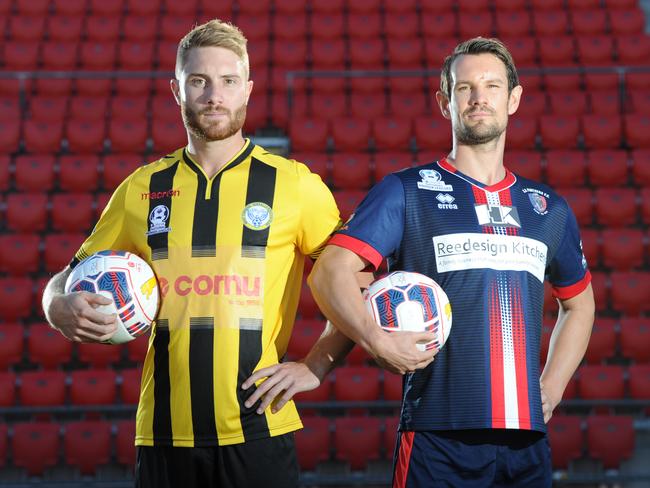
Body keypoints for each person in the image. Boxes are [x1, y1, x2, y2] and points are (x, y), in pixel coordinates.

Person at [246, 37, 595, 487]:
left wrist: (552, 386)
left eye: (491, 86)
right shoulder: (407, 192)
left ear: (513, 99)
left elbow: (580, 304)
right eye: (464, 87)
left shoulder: (547, 208)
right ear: (444, 102)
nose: (478, 97)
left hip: (527, 441)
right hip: (437, 435)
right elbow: (331, 272)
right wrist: (364, 344)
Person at [41, 19, 346, 488]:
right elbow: (67, 275)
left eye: (227, 81)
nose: (213, 95)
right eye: (198, 81)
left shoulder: (296, 185)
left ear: (247, 89)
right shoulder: (142, 188)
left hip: (259, 428)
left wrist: (316, 365)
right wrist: (56, 304)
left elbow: (355, 281)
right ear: (175, 90)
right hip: (164, 433)